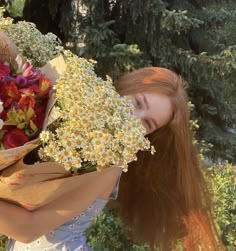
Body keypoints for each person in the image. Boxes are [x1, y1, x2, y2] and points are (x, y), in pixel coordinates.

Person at [0, 67, 222, 251]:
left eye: (147, 124)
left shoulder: (109, 166)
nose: (133, 120)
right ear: (125, 88)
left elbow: (27, 229)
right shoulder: (76, 128)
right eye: (137, 103)